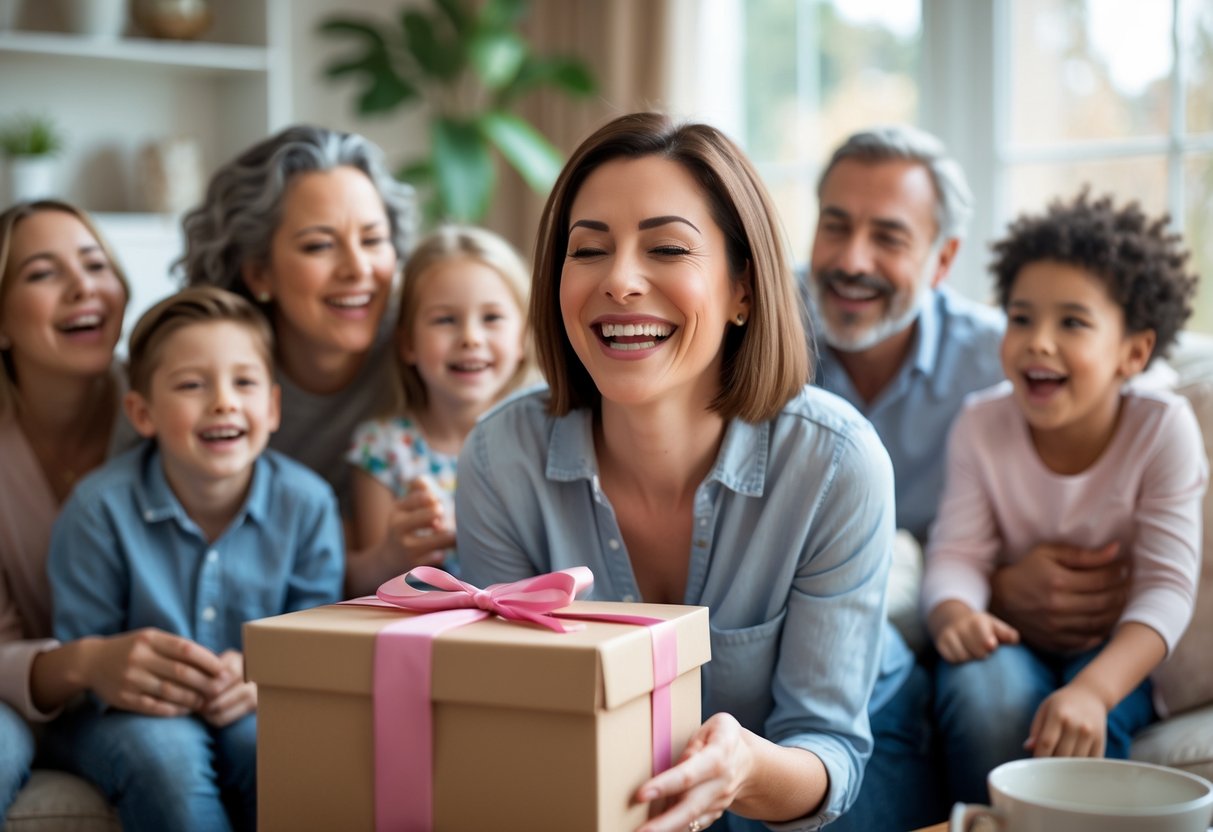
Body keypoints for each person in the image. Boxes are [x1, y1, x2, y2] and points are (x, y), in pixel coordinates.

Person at [458, 112, 899, 831]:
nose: (621, 281)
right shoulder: (498, 460)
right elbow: (518, 720)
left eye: (666, 248)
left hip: (826, 770)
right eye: (588, 250)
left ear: (744, 292)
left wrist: (745, 770)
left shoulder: (836, 463)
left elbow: (829, 751)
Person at [923, 191, 1205, 803]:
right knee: (982, 696)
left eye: (1072, 322)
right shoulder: (980, 424)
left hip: (1113, 652)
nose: (1038, 342)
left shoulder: (1163, 428)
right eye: (1021, 318)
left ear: (1134, 352)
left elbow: (1166, 589)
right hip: (1010, 637)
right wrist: (955, 613)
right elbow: (957, 552)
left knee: (1080, 726)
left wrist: (1096, 691)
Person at [807, 125, 1130, 657]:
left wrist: (996, 590)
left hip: (970, 622)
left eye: (889, 238)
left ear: (943, 260)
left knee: (992, 702)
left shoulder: (1003, 363)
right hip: (824, 626)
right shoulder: (757, 335)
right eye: (834, 227)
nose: (852, 261)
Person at [43, 287, 345, 832]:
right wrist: (118, 671)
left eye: (244, 382)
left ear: (272, 408)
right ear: (142, 412)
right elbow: (81, 657)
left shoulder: (308, 504)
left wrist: (261, 678)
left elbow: (315, 641)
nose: (224, 402)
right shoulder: (97, 509)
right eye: (191, 385)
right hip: (124, 715)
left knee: (280, 752)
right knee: (167, 759)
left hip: (252, 702)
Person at [180, 124, 415, 510]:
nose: (358, 269)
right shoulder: (208, 376)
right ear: (258, 273)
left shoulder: (430, 344)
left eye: (373, 240)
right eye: (319, 245)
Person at [0, 199, 144, 816]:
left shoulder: (171, 407)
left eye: (95, 264)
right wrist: (84, 663)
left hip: (136, 709)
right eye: (42, 272)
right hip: (11, 702)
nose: (83, 286)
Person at [344, 225, 532, 595]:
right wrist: (394, 552)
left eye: (492, 318)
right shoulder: (383, 448)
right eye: (445, 319)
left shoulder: (542, 437)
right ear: (408, 343)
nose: (471, 338)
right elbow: (364, 588)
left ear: (522, 338)